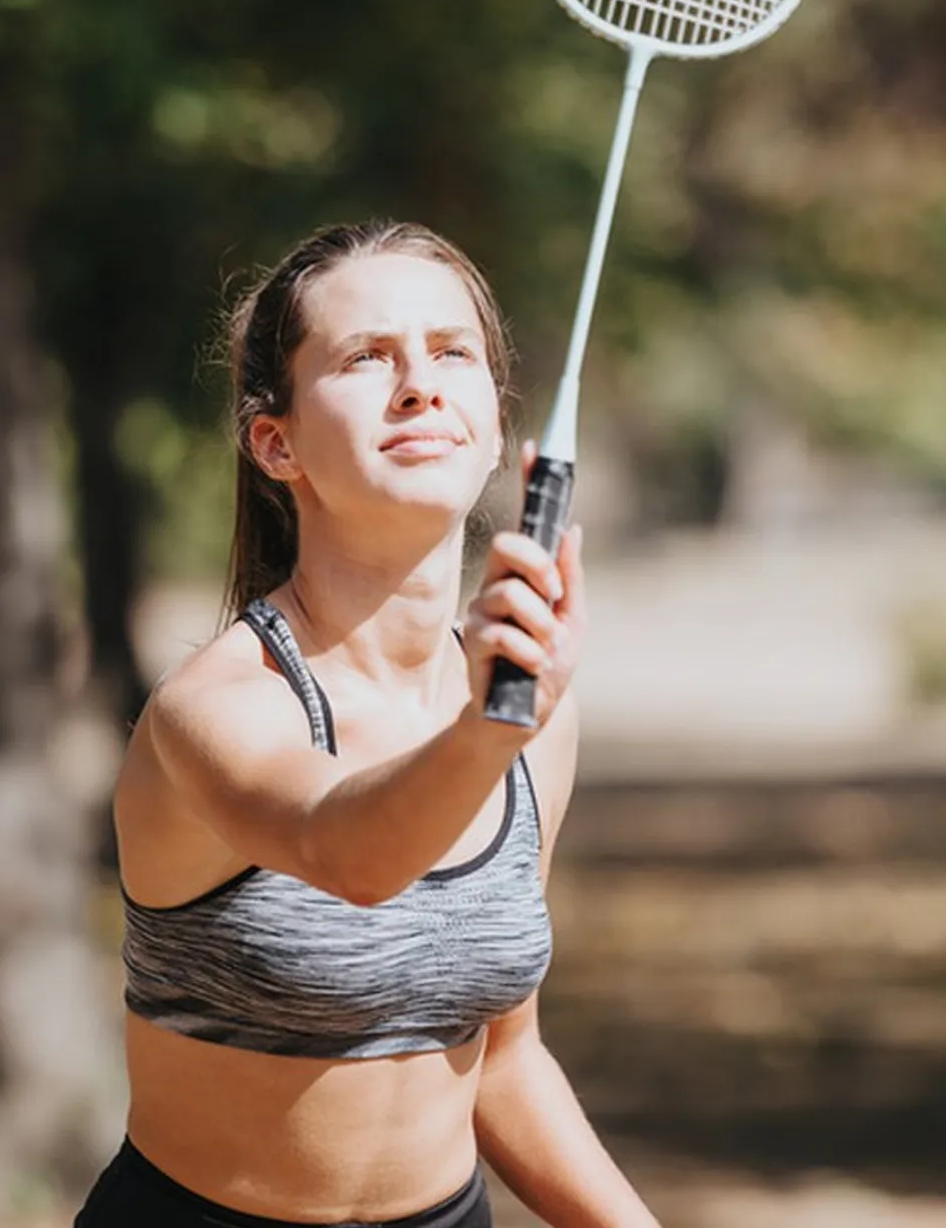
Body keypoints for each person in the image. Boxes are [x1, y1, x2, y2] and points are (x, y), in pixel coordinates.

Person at [76, 221, 659, 1228]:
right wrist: (490, 724)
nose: (418, 384)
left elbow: (503, 1060)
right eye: (365, 358)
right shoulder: (214, 708)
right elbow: (347, 851)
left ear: (494, 429)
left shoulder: (529, 724)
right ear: (276, 442)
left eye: (450, 353)